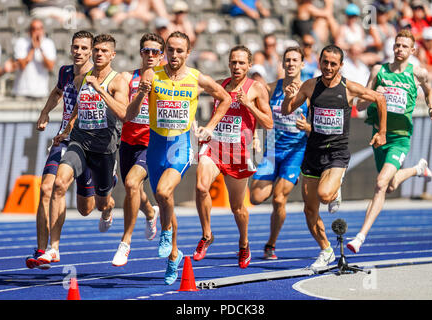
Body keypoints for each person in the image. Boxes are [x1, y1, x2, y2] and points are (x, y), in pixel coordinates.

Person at [130, 31, 231, 284]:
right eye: (171, 50)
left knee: (164, 193)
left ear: (188, 53)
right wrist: (142, 93)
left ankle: (165, 233)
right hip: (155, 148)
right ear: (165, 52)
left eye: (180, 51)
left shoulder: (197, 78)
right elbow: (130, 114)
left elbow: (226, 98)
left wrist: (210, 127)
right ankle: (174, 255)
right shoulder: (153, 75)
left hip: (181, 147)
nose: (175, 55)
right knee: (165, 201)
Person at [281, 44, 387, 272]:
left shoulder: (348, 88)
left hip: (336, 153)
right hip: (313, 153)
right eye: (325, 62)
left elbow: (379, 98)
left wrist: (382, 132)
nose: (328, 67)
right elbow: (287, 110)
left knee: (324, 195)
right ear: (319, 62)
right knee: (309, 210)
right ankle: (325, 249)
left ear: (341, 66)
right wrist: (288, 98)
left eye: (333, 64)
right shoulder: (311, 86)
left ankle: (335, 185)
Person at [36, 34, 129, 266]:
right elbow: (73, 104)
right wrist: (59, 124)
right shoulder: (75, 77)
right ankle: (49, 249)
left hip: (103, 147)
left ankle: (107, 207)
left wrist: (100, 89)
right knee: (54, 185)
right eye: (76, 47)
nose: (95, 54)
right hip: (75, 140)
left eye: (98, 50)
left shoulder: (116, 80)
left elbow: (124, 114)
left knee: (91, 207)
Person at [347, 29, 432, 254]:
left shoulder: (418, 73)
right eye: (396, 45)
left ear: (412, 50)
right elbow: (360, 105)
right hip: (379, 137)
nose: (399, 49)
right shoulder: (379, 71)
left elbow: (429, 92)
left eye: (404, 46)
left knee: (380, 184)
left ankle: (360, 237)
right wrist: (372, 95)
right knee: (389, 186)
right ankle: (419, 168)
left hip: (400, 138)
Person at [192, 45, 273, 269]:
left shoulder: (256, 88)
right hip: (215, 146)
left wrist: (249, 104)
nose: (237, 66)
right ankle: (207, 235)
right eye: (233, 62)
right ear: (229, 63)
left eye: (241, 63)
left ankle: (244, 242)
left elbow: (269, 123)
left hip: (238, 152)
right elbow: (193, 91)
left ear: (248, 65)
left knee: (237, 208)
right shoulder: (221, 85)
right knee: (201, 187)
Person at [25, 30, 98, 270]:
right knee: (47, 187)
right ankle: (42, 250)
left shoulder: (95, 77)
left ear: (91, 51)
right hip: (64, 140)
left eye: (84, 48)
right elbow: (57, 91)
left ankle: (107, 180)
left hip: (86, 143)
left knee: (87, 209)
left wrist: (69, 129)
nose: (78, 52)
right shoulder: (65, 72)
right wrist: (45, 112)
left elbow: (82, 110)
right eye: (75, 47)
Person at [249, 46, 310, 260]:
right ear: (283, 64)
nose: (291, 64)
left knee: (278, 199)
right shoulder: (271, 88)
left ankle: (271, 244)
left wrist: (308, 128)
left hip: (295, 152)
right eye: (288, 60)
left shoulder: (309, 91)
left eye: (295, 60)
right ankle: (274, 182)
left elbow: (318, 125)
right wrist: (255, 137)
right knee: (256, 197)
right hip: (272, 151)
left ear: (303, 64)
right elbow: (257, 111)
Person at [111, 33, 165, 267]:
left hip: (152, 143)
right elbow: (123, 112)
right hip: (128, 142)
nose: (150, 55)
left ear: (162, 55)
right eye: (146, 51)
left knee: (133, 184)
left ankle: (125, 243)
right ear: (140, 52)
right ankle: (151, 213)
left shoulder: (167, 80)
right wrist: (141, 93)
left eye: (155, 51)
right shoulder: (126, 78)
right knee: (134, 190)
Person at [12, 19, 56, 99]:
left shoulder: (49, 43)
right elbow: (22, 66)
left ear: (43, 30)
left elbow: (50, 66)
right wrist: (32, 48)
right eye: (34, 29)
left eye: (39, 29)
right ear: (29, 30)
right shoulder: (21, 42)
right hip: (22, 92)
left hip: (41, 92)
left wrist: (40, 48)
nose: (37, 31)